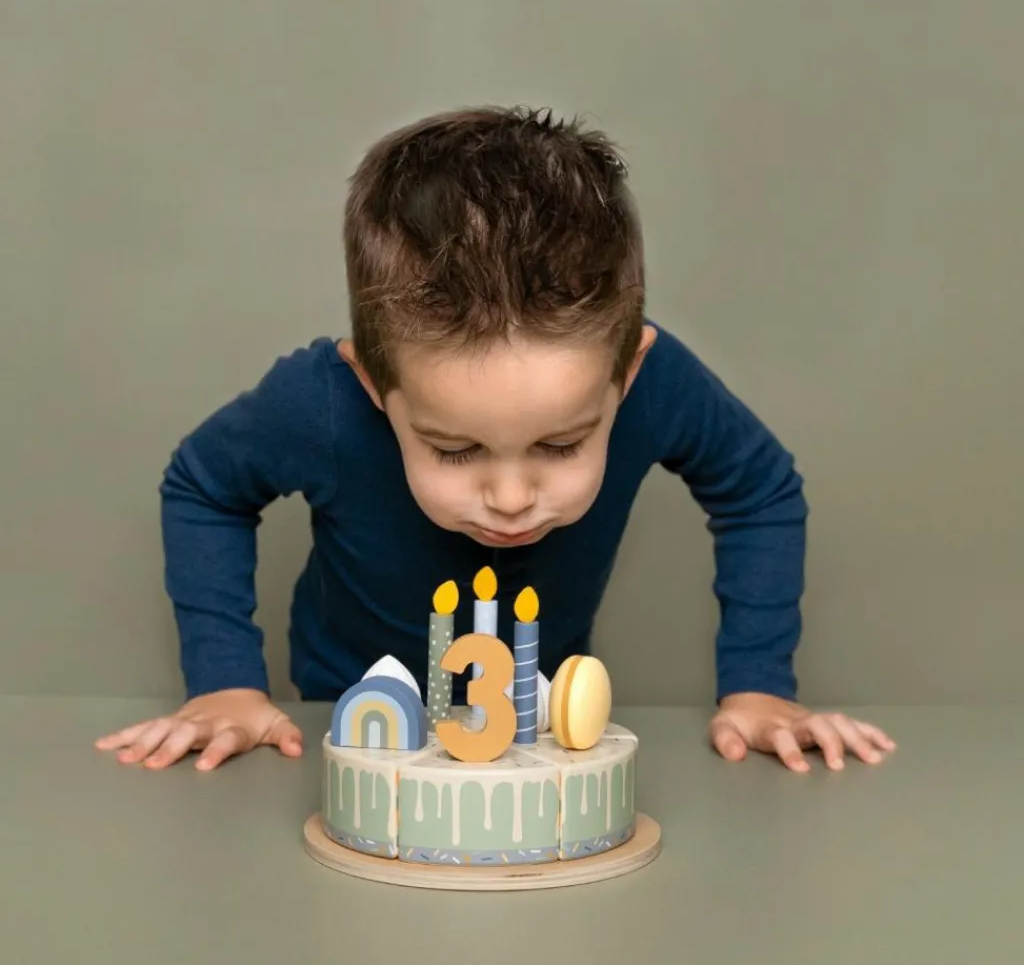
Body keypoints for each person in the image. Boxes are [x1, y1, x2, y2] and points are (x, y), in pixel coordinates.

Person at [96, 105, 895, 775]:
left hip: (540, 733)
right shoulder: (323, 404)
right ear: (375, 389)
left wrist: (758, 685)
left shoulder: (658, 383)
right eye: (454, 450)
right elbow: (205, 485)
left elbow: (759, 489)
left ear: (626, 375)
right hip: (352, 728)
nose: (511, 499)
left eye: (560, 446)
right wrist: (225, 683)